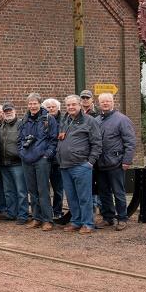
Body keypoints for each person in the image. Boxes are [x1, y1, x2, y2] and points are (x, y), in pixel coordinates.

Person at [58, 95, 102, 234]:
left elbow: (97, 143)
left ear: (80, 105)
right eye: (68, 105)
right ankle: (76, 221)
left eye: (73, 105)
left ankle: (88, 224)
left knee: (84, 197)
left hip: (81, 166)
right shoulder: (65, 121)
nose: (71, 107)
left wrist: (90, 162)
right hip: (65, 166)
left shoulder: (89, 121)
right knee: (71, 197)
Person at [95, 93, 136, 231]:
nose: (105, 103)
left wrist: (126, 161)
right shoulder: (97, 120)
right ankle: (108, 218)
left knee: (119, 192)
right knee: (103, 192)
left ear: (113, 102)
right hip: (100, 163)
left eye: (108, 101)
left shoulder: (122, 120)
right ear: (98, 103)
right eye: (102, 101)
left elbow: (130, 142)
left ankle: (122, 218)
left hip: (116, 163)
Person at [18, 93, 59, 231]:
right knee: (32, 191)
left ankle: (47, 220)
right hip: (27, 159)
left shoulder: (48, 119)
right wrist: (21, 152)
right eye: (30, 103)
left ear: (39, 104)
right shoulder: (24, 120)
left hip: (42, 159)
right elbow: (19, 139)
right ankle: (36, 218)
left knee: (43, 190)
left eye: (34, 103)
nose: (32, 106)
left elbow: (54, 140)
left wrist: (47, 155)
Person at [0, 103, 29, 224]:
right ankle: (12, 213)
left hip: (17, 163)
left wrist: (21, 155)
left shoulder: (21, 124)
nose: (8, 113)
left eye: (10, 110)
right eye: (6, 111)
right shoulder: (1, 126)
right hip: (4, 163)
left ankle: (23, 214)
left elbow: (26, 141)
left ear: (15, 111)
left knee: (21, 190)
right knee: (9, 190)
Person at [42, 98, 65, 219]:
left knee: (58, 188)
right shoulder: (42, 120)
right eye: (48, 107)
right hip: (45, 159)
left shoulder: (64, 121)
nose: (51, 109)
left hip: (58, 160)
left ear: (58, 108)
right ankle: (46, 212)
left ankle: (57, 211)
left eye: (53, 107)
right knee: (44, 188)